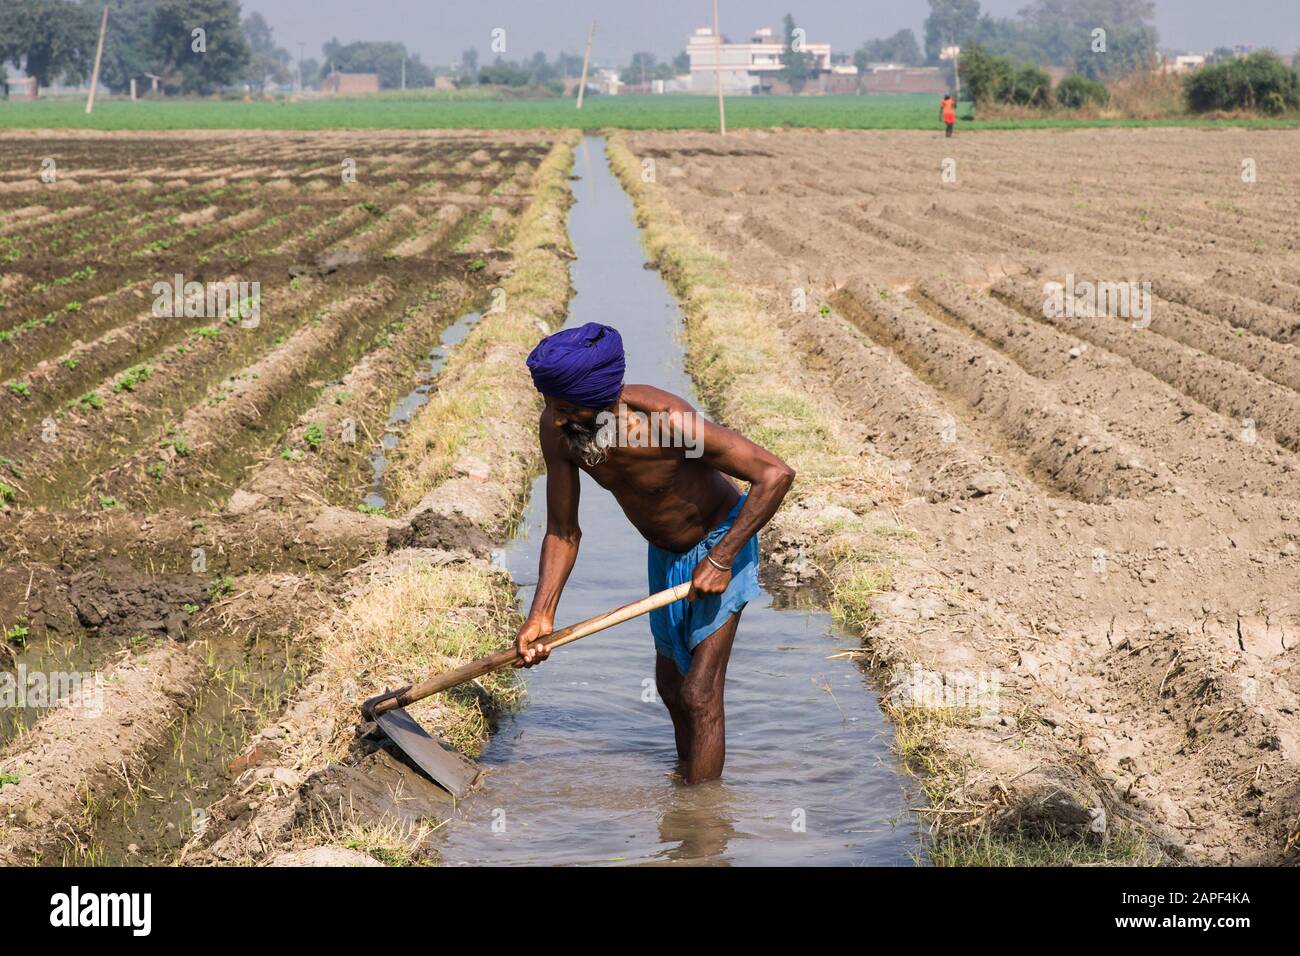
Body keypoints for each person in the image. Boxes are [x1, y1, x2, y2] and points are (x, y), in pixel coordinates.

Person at [516, 322, 795, 783]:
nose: (557, 418)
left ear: (606, 398)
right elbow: (563, 531)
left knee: (700, 692)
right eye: (550, 406)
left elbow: (773, 474)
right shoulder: (562, 433)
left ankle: (702, 832)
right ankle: (686, 782)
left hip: (719, 543)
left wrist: (722, 558)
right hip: (663, 554)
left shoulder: (667, 424)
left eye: (567, 409)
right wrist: (541, 614)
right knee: (670, 686)